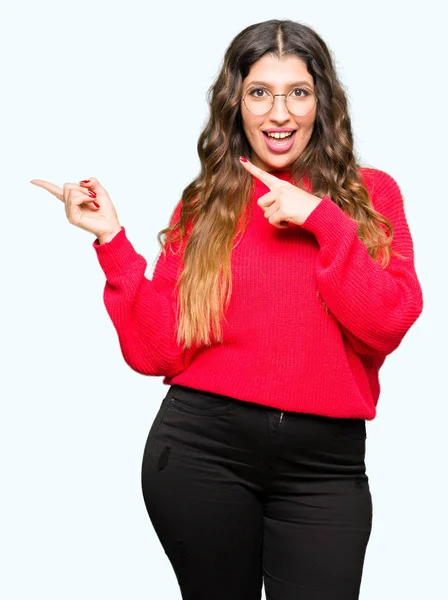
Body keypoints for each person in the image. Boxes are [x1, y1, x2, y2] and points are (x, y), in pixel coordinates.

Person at [30, 18, 424, 600]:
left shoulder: (370, 196)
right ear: (235, 104)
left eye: (298, 92)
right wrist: (112, 241)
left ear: (323, 102)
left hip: (324, 467)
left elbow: (386, 323)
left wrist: (319, 218)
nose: (279, 113)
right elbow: (155, 350)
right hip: (202, 453)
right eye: (260, 93)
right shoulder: (206, 205)